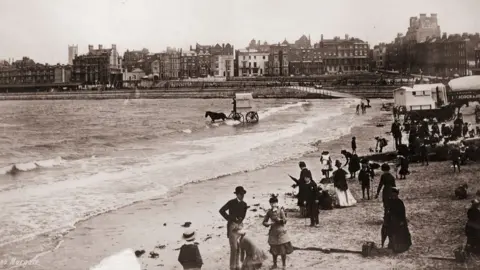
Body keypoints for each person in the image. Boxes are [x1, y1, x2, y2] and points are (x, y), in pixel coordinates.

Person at [219, 186, 249, 270]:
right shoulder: (231, 202)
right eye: (240, 194)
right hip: (232, 226)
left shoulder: (244, 204)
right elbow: (221, 210)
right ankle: (232, 267)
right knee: (234, 248)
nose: (242, 196)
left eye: (243, 194)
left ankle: (237, 265)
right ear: (237, 194)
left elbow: (243, 215)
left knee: (238, 247)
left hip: (240, 226)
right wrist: (230, 218)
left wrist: (240, 220)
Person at [262, 195, 294, 269]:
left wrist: (280, 220)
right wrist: (268, 224)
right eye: (272, 203)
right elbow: (264, 222)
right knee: (274, 250)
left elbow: (285, 220)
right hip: (273, 232)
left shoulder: (281, 210)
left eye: (275, 203)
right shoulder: (269, 212)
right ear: (270, 204)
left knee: (283, 251)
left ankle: (284, 265)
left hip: (281, 232)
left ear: (277, 203)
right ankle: (275, 264)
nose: (274, 205)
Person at [381, 187, 412, 253]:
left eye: (394, 195)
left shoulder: (400, 202)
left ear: (397, 195)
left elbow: (402, 213)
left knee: (398, 233)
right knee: (387, 231)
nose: (393, 196)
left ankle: (399, 246)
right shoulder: (390, 201)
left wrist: (402, 221)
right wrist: (386, 218)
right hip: (391, 219)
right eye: (392, 195)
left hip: (398, 220)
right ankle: (391, 244)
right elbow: (387, 210)